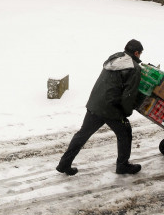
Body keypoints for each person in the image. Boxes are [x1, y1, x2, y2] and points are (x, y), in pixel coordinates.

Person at [56, 39, 145, 176]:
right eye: (140, 54)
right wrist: (126, 112)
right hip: (111, 109)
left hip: (95, 103)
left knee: (82, 134)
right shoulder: (134, 68)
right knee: (125, 133)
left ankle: (64, 164)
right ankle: (122, 166)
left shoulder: (115, 59)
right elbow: (128, 94)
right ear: (136, 53)